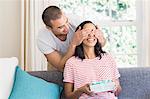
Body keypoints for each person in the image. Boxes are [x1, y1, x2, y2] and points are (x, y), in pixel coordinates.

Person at [37, 6, 106, 72]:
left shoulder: (76, 21)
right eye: (60, 27)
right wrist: (74, 44)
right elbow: (60, 66)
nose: (67, 28)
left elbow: (101, 43)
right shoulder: (43, 38)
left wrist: (100, 39)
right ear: (49, 28)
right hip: (59, 65)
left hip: (81, 61)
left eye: (66, 22)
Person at [63, 21, 122, 99]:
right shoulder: (71, 63)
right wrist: (81, 90)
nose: (91, 35)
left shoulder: (108, 58)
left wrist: (116, 86)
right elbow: (68, 96)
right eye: (87, 32)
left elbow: (118, 91)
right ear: (79, 35)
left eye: (93, 31)